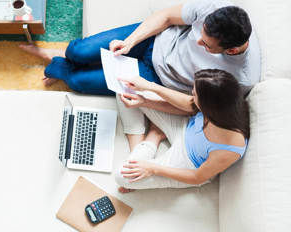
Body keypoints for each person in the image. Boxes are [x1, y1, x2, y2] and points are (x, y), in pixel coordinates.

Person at [19, 0, 260, 96]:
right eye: (200, 33)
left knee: (78, 83)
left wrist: (149, 94)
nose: (197, 41)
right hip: (153, 40)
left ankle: (56, 64)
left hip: (156, 79)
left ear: (230, 51)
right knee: (77, 52)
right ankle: (63, 58)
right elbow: (165, 17)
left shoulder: (240, 79)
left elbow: (192, 106)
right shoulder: (216, 9)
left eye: (206, 45)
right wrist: (131, 41)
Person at [113, 69, 249, 193]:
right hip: (184, 127)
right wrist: (145, 100)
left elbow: (197, 177)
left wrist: (152, 168)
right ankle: (153, 137)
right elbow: (189, 107)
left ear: (208, 107)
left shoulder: (231, 147)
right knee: (125, 88)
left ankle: (153, 136)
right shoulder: (224, 104)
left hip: (186, 163)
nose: (191, 94)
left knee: (121, 176)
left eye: (194, 94)